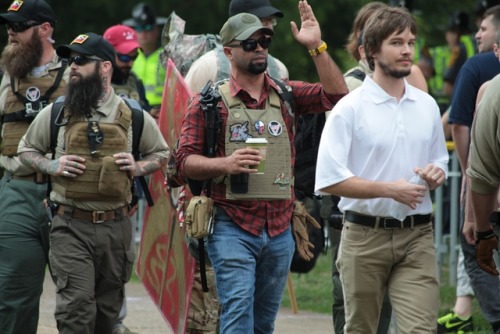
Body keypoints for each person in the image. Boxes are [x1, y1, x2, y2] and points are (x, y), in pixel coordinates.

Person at [174, 2, 348, 332]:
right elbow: (183, 163)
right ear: (229, 51)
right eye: (250, 43)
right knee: (238, 312)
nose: (260, 49)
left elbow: (337, 95)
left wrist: (316, 47)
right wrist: (226, 163)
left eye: (264, 42)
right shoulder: (209, 102)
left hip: (280, 227)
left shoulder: (286, 94)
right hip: (230, 224)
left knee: (263, 323)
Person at [17, 32, 169, 334]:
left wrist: (139, 167)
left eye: (82, 60)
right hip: (70, 224)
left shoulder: (134, 115)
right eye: (71, 60)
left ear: (105, 67)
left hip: (117, 226)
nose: (73, 66)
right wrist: (52, 165)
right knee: (76, 310)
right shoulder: (57, 112)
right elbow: (25, 150)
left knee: (106, 315)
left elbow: (162, 153)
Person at [315, 6, 448, 333]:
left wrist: (436, 173)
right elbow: (330, 179)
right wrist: (390, 189)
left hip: (417, 235)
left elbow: (439, 160)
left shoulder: (427, 105)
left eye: (411, 42)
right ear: (371, 50)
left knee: (421, 329)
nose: (407, 50)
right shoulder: (349, 108)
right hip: (363, 236)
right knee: (362, 329)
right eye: (397, 42)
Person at [182, 1, 288, 333]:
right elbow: (184, 143)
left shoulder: (279, 71)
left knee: (257, 316)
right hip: (223, 211)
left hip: (272, 213)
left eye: (268, 29)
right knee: (218, 305)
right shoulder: (204, 68)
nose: (266, 33)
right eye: (261, 23)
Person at [0, 0, 69, 333]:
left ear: (45, 29)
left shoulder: (76, 74)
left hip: (69, 194)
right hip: (17, 190)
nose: (11, 32)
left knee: (78, 297)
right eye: (9, 26)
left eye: (19, 26)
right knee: (13, 294)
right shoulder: (5, 79)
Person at [446, 5, 500, 333]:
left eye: (483, 28)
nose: (477, 35)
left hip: (487, 195)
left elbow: (459, 126)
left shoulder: (480, 76)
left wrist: (472, 213)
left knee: (479, 254)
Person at [103, 23, 149, 334]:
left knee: (120, 257)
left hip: (129, 182)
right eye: (123, 56)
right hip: (92, 181)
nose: (129, 61)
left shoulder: (135, 82)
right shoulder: (90, 84)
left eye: (133, 55)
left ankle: (115, 322)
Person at [123, 3, 167, 118]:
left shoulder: (168, 55)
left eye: (148, 28)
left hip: (161, 112)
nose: (144, 33)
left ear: (157, 30)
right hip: (134, 110)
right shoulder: (127, 57)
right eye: (139, 28)